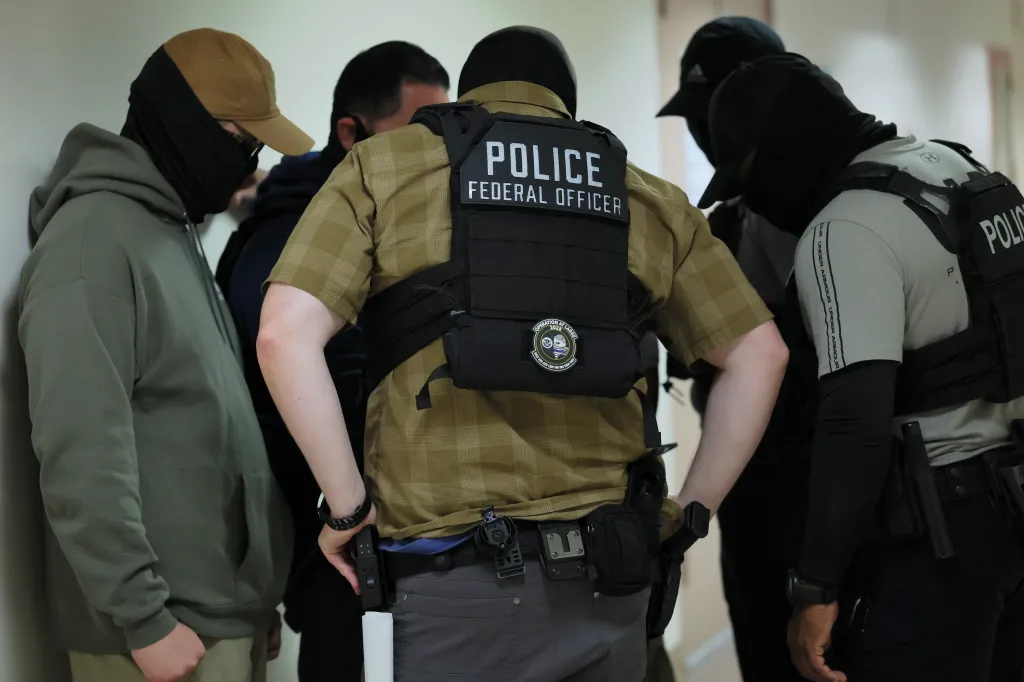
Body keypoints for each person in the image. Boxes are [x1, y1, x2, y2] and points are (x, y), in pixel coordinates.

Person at [257, 25, 789, 682]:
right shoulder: (647, 197)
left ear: (470, 96)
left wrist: (348, 508)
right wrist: (691, 512)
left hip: (448, 591)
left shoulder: (383, 168)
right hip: (612, 582)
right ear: (564, 104)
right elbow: (760, 354)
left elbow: (283, 334)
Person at [700, 52, 1024, 682]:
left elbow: (856, 421)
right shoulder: (961, 170)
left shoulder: (845, 227)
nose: (758, 203)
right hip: (1011, 513)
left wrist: (815, 586)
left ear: (787, 146)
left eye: (751, 177)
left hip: (937, 541)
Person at [19, 28, 312, 682]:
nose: (251, 161)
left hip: (217, 617)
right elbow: (80, 446)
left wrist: (256, 595)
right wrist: (143, 617)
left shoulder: (168, 234)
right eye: (243, 141)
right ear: (183, 124)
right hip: (160, 635)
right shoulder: (93, 242)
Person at [215, 41, 450, 682]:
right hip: (334, 544)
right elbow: (274, 397)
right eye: (417, 132)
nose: (435, 154)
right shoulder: (290, 236)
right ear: (352, 133)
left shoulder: (393, 220)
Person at [655, 17, 808, 682]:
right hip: (752, 499)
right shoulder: (722, 224)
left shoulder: (833, 212)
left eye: (710, 110)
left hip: (829, 494)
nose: (702, 129)